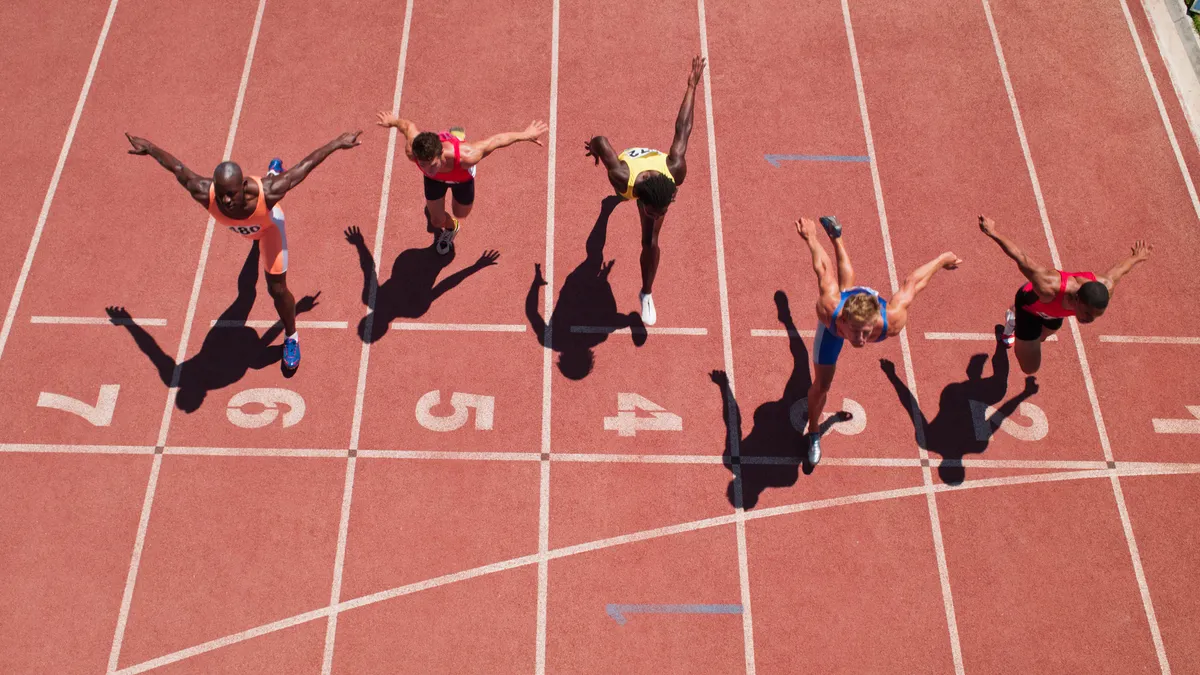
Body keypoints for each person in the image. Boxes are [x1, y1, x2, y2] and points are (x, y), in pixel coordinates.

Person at [125, 130, 361, 371]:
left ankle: (291, 337)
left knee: (275, 289)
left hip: (269, 227)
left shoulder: (269, 193)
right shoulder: (203, 192)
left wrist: (336, 143)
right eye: (221, 193)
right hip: (248, 229)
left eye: (231, 194)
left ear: (243, 186)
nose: (225, 201)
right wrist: (150, 148)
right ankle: (271, 172)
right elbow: (177, 168)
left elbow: (304, 166)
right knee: (245, 294)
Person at [797, 215, 961, 466]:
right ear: (843, 320)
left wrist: (941, 260)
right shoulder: (829, 309)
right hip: (835, 323)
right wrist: (811, 238)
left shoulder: (892, 321)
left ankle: (838, 238)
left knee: (847, 285)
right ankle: (815, 432)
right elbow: (822, 268)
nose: (862, 340)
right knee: (821, 386)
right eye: (856, 332)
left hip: (864, 304)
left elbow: (913, 284)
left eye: (867, 332)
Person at [583, 55, 707, 325]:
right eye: (652, 212)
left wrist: (692, 85)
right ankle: (607, 208)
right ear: (642, 201)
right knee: (593, 256)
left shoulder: (675, 172)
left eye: (662, 210)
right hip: (633, 175)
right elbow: (602, 141)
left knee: (649, 242)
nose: (655, 215)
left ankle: (646, 293)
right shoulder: (621, 177)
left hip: (654, 182)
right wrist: (592, 149)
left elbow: (683, 128)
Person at [978, 215, 1151, 373]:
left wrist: (1136, 258)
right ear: (1077, 299)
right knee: (1030, 368)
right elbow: (1020, 257)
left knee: (1042, 338)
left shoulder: (1106, 287)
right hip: (1030, 305)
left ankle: (1029, 329)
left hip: (1053, 312)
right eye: (1087, 314)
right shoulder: (1048, 286)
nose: (1089, 320)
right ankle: (1012, 319)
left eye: (1096, 316)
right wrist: (993, 232)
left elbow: (1119, 271)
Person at [376, 113, 548, 254]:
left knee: (461, 213)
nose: (428, 169)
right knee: (436, 221)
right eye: (423, 165)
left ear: (440, 154)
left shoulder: (467, 157)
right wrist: (392, 121)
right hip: (435, 182)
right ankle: (452, 228)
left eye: (432, 164)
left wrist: (526, 135)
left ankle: (457, 138)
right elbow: (407, 126)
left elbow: (495, 141)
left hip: (461, 176)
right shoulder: (413, 152)